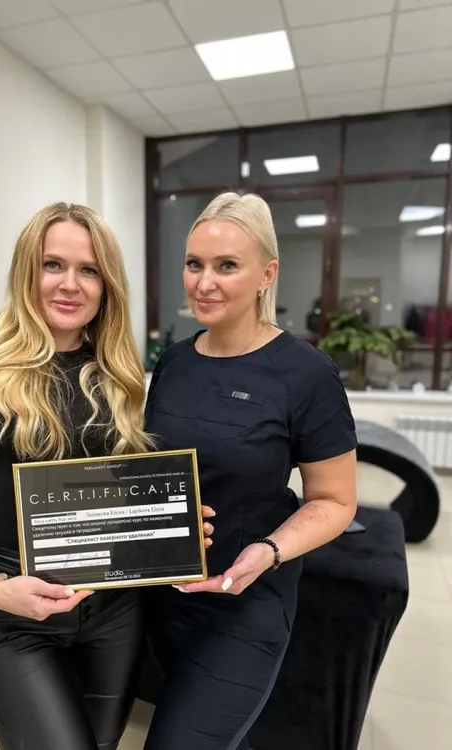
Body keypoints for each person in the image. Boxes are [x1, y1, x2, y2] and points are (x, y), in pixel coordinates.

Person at [0, 202, 213, 750]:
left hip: (115, 610)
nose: (70, 284)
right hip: (13, 610)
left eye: (89, 270)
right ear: (27, 269)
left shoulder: (117, 371)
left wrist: (169, 526)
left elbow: (120, 489)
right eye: (53, 264)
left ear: (106, 285)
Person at [143, 192, 358, 750]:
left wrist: (267, 551)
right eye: (194, 264)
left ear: (268, 274)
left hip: (247, 603)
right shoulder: (175, 361)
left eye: (226, 266)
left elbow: (335, 501)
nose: (204, 282)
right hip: (165, 595)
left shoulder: (306, 373)